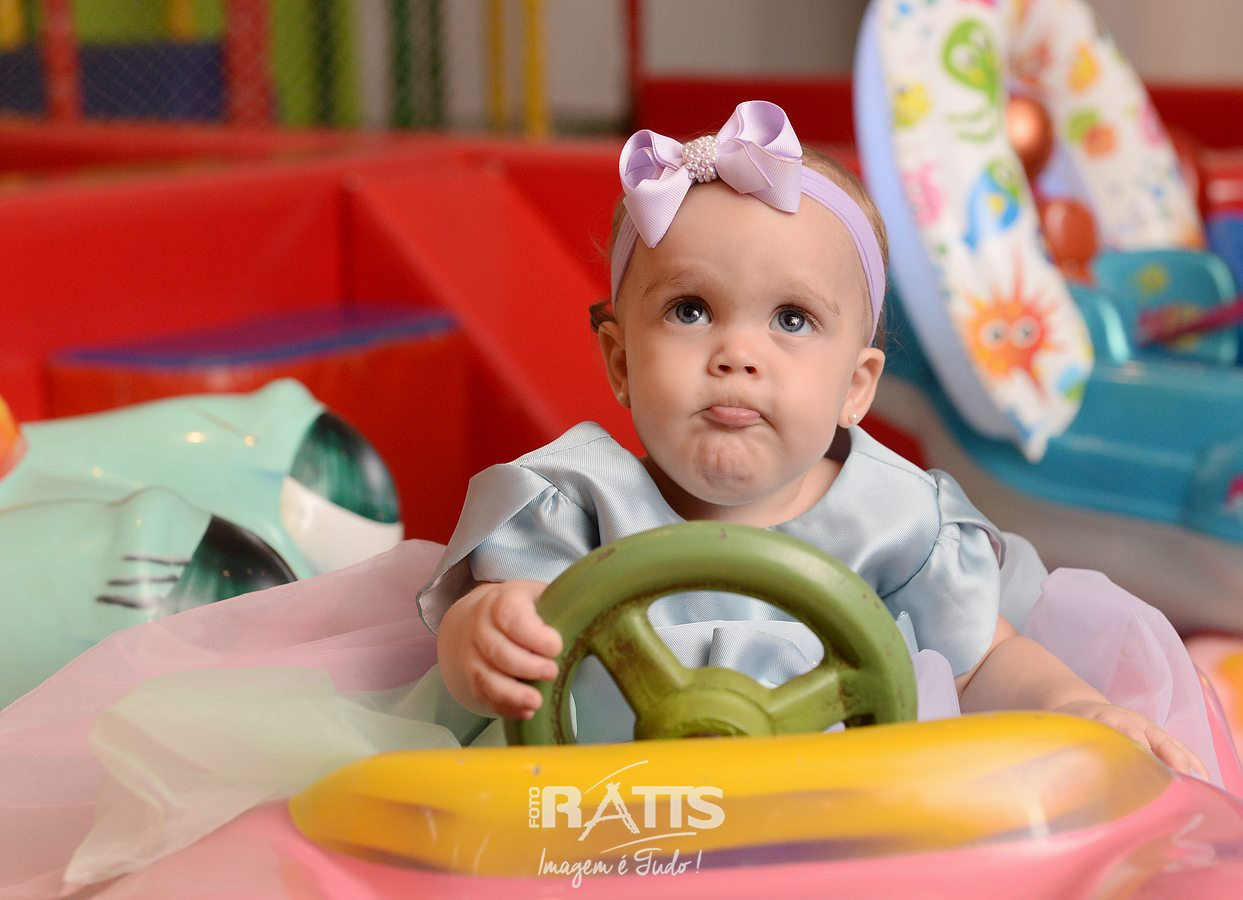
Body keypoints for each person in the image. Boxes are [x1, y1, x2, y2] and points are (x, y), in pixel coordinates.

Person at [422, 100, 1205, 776]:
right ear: (620, 361)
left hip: (845, 831)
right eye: (690, 310)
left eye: (791, 319)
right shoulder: (573, 509)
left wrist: (1074, 705)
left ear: (855, 387)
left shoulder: (897, 526)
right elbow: (489, 649)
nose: (737, 354)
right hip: (622, 827)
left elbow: (986, 661)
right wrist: (481, 638)